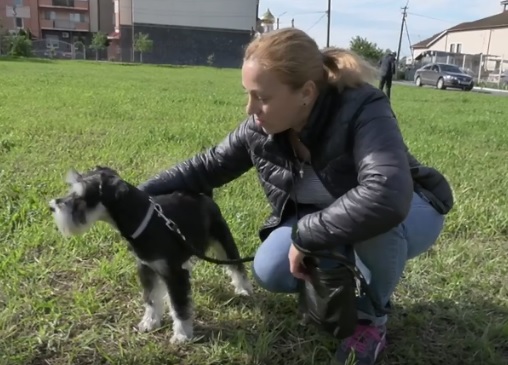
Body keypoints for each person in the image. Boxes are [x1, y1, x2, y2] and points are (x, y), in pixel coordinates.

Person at [138, 28, 454, 365]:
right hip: (329, 216)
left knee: (375, 225)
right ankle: (335, 284)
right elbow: (206, 167)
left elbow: (386, 194)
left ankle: (371, 318)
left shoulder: (363, 106)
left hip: (410, 209)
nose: (250, 108)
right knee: (271, 268)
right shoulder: (260, 129)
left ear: (305, 93)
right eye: (248, 94)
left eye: (261, 97)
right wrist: (134, 197)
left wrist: (306, 235)